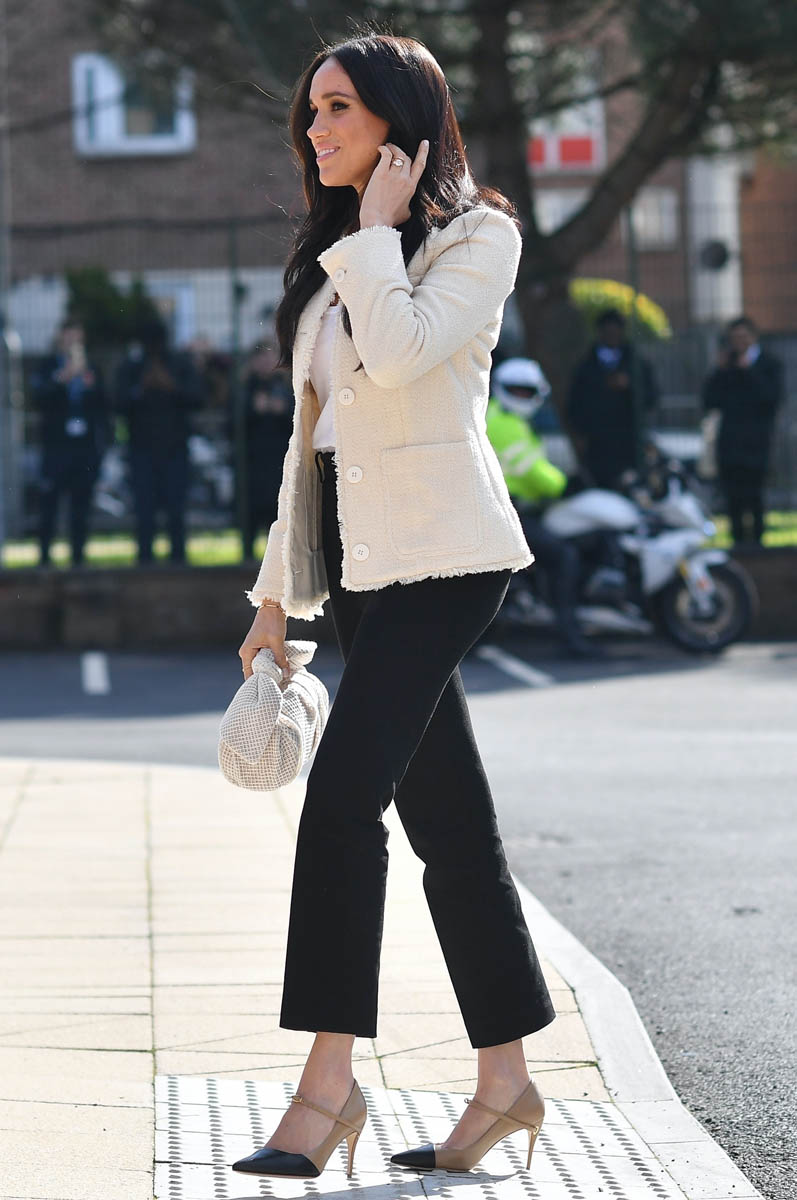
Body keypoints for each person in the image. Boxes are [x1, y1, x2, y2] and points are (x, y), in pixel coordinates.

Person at [232, 32, 556, 1182]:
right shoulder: (335, 259)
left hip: (448, 561)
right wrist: (275, 596)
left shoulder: (478, 239)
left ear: (397, 123)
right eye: (309, 110)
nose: (313, 130)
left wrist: (375, 233)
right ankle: (505, 1083)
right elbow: (308, 447)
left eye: (337, 109)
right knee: (450, 831)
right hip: (359, 569)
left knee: (338, 809)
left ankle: (326, 1090)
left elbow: (406, 352)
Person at [488, 357, 597, 657]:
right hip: (509, 510)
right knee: (564, 556)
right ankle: (569, 634)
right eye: (517, 391)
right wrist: (565, 484)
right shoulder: (503, 423)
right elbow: (532, 471)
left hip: (512, 508)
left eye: (527, 392)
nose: (522, 397)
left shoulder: (503, 416)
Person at [115, 318, 202, 564]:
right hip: (141, 449)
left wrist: (172, 387)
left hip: (175, 448)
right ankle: (145, 560)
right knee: (144, 509)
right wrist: (141, 388)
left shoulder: (179, 364)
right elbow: (118, 402)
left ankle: (178, 559)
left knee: (176, 508)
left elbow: (198, 398)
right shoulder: (132, 367)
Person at [32, 318, 109, 567]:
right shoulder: (48, 366)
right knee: (49, 505)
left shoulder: (92, 368)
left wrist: (91, 386)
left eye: (78, 337)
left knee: (81, 506)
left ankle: (78, 557)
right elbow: (39, 398)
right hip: (56, 447)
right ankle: (44, 557)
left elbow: (104, 406)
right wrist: (62, 378)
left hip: (83, 448)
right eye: (69, 337)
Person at [702, 316, 783, 547]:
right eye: (734, 338)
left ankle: (758, 545)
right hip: (730, 444)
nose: (739, 342)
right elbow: (710, 401)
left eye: (743, 337)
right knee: (733, 499)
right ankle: (738, 546)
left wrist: (749, 371)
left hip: (757, 444)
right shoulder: (726, 367)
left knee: (754, 496)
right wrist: (719, 371)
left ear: (753, 337)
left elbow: (771, 398)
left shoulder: (769, 364)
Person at [567, 307, 659, 489]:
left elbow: (651, 398)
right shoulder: (587, 366)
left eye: (616, 330)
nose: (612, 335)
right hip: (598, 442)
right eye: (607, 331)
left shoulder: (637, 363)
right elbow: (575, 403)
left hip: (629, 441)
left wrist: (630, 386)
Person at [242, 342, 294, 538]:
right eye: (260, 356)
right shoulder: (246, 388)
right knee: (251, 514)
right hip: (252, 463)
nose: (265, 362)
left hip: (280, 460)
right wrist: (253, 410)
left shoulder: (288, 386)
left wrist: (283, 411)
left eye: (269, 356)